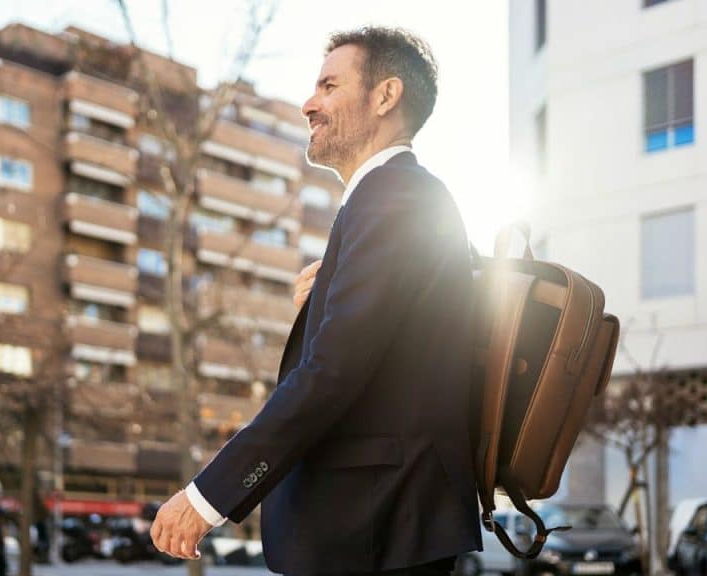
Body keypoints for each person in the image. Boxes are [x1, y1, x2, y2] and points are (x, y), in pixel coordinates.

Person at [150, 26, 481, 575]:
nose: (309, 103)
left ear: (385, 96)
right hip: (375, 531)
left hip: (375, 530)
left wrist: (207, 497)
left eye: (329, 86)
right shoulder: (395, 200)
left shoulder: (394, 198)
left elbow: (331, 373)